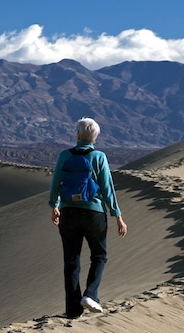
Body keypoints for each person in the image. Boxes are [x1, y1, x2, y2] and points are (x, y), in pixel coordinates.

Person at [49, 117, 127, 318]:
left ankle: (73, 311)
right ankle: (90, 294)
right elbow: (107, 188)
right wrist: (117, 215)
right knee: (99, 255)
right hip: (94, 213)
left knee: (72, 260)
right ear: (95, 137)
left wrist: (54, 206)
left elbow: (55, 183)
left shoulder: (65, 156)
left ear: (77, 135)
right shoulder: (99, 157)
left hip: (68, 213)